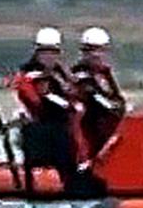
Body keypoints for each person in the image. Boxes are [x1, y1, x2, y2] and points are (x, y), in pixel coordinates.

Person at [9, 27, 90, 193]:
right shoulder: (32, 77)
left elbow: (74, 93)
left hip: (69, 132)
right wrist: (69, 105)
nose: (49, 56)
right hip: (47, 133)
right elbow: (40, 102)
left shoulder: (60, 74)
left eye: (53, 51)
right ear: (38, 52)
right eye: (45, 51)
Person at [71, 26, 129, 159]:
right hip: (90, 138)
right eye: (90, 50)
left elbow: (118, 103)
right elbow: (106, 106)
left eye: (100, 50)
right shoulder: (80, 77)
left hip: (107, 136)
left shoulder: (105, 75)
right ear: (83, 52)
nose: (96, 54)